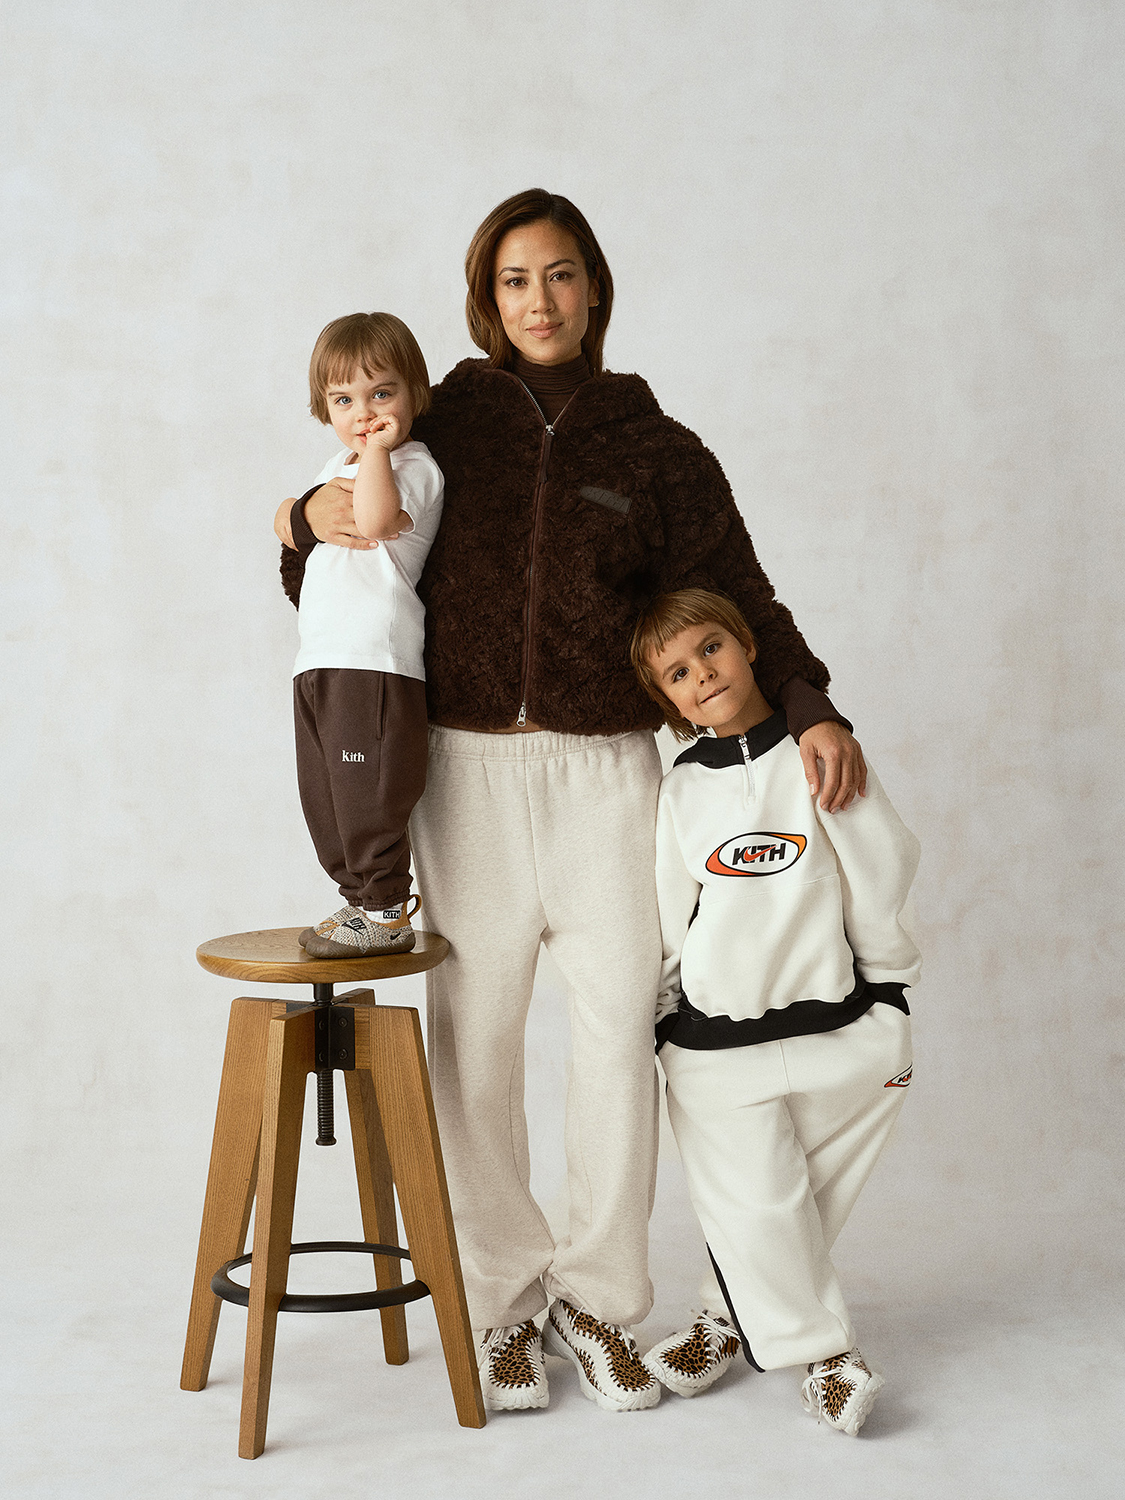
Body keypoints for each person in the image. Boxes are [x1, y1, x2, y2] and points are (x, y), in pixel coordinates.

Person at [275, 190, 867, 1414]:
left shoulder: (659, 450)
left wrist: (811, 704)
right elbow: (346, 555)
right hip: (465, 772)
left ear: (594, 286)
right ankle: (502, 1307)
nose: (538, 301)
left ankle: (596, 1302)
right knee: (476, 1042)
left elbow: (741, 592)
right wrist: (299, 521)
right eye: (512, 280)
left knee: (614, 1039)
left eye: (558, 275)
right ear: (484, 300)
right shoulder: (445, 423)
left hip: (607, 773)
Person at [630, 589, 920, 1436]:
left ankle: (724, 1319)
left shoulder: (818, 753)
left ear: (748, 646)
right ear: (668, 702)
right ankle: (828, 1357)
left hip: (842, 1028)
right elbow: (666, 912)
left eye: (709, 649)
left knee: (800, 1200)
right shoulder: (680, 791)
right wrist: (663, 1022)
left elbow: (880, 869)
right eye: (676, 674)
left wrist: (888, 988)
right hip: (715, 1045)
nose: (700, 675)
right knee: (754, 1202)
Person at [292, 313, 443, 957]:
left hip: (374, 660)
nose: (365, 414)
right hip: (322, 657)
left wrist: (376, 453)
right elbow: (299, 528)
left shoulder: (415, 466)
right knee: (325, 798)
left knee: (367, 795)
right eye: (344, 400)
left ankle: (385, 907)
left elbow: (377, 522)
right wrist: (292, 511)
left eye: (381, 393)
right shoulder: (339, 463)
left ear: (413, 393)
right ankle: (358, 901)